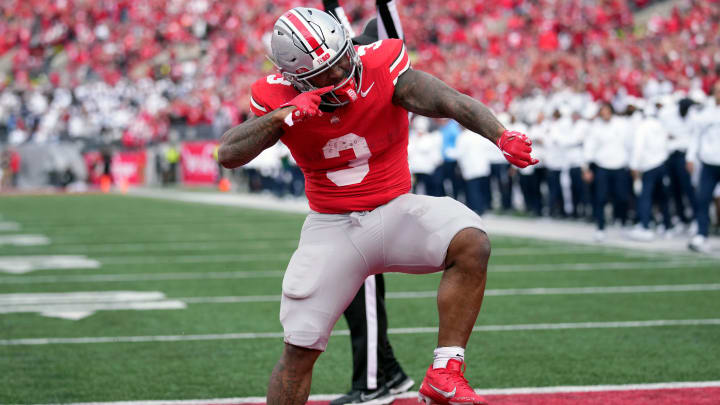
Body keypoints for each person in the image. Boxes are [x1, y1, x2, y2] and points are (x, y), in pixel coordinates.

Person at [218, 8, 537, 404]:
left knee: (471, 240)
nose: (338, 77)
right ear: (295, 78)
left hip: (395, 211)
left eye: (340, 62)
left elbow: (450, 101)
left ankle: (445, 370)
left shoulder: (380, 65)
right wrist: (284, 116)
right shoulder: (278, 95)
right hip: (333, 228)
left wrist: (500, 135)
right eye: (323, 75)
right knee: (299, 349)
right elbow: (228, 153)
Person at [325, 2, 415, 402]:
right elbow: (338, 28)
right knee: (354, 296)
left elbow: (393, 32)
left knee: (363, 295)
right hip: (348, 198)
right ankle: (390, 371)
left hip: (372, 198)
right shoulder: (354, 59)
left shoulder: (387, 66)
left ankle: (372, 385)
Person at [687, 81, 720, 253]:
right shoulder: (706, 112)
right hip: (709, 163)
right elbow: (695, 135)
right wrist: (690, 157)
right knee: (703, 198)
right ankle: (702, 234)